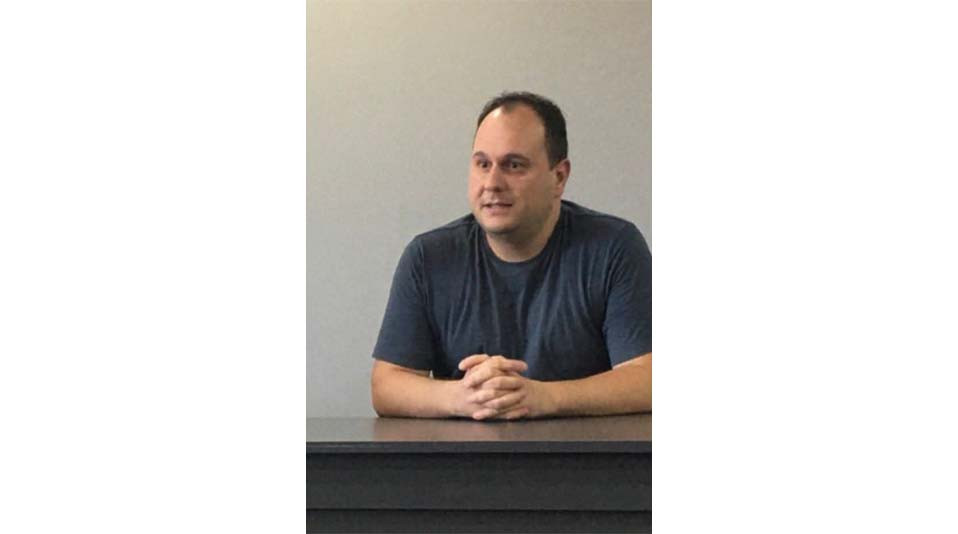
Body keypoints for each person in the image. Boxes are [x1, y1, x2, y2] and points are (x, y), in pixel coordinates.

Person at [370, 91, 651, 420]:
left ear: (559, 177)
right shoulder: (428, 257)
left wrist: (544, 397)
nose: (492, 182)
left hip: (582, 452)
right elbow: (387, 385)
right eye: (482, 164)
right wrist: (462, 396)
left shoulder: (614, 247)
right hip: (466, 452)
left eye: (513, 165)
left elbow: (648, 378)